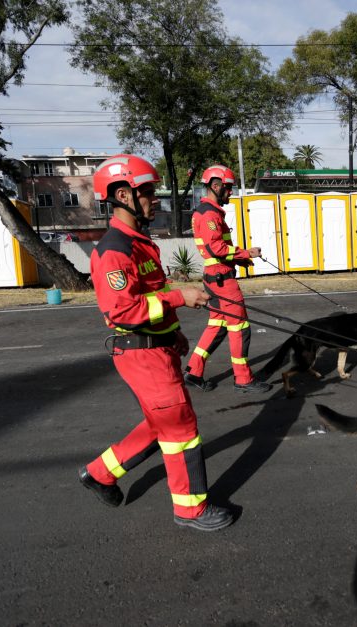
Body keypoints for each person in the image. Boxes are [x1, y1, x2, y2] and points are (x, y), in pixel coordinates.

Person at [79, 154, 234, 532]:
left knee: (159, 424)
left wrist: (174, 331)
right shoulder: (114, 250)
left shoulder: (140, 243)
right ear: (121, 195)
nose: (154, 199)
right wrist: (181, 297)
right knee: (181, 431)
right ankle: (191, 510)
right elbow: (124, 311)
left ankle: (99, 474)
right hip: (141, 354)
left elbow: (154, 292)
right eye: (146, 191)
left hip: (157, 347)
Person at [183, 165, 272, 393]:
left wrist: (238, 260)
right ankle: (243, 379)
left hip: (214, 277)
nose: (230, 192)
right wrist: (245, 253)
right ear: (215, 185)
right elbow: (216, 248)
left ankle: (194, 371)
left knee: (217, 325)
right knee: (239, 326)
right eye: (228, 188)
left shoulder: (205, 212)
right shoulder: (210, 214)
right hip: (223, 280)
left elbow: (217, 250)